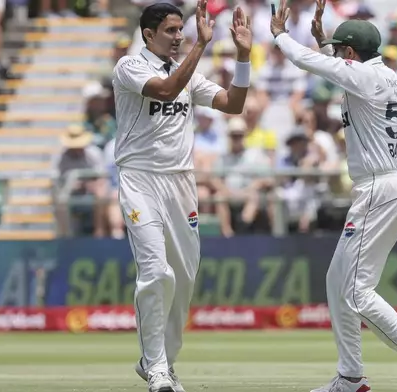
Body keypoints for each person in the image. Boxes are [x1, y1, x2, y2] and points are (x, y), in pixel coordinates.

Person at [270, 1, 397, 392]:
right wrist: (324, 38)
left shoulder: (366, 78)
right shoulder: (379, 75)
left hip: (379, 190)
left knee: (354, 289)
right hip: (388, 184)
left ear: (351, 54)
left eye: (340, 49)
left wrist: (280, 35)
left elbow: (311, 63)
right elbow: (339, 67)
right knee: (339, 283)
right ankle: (351, 376)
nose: (336, 53)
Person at [111, 1, 253, 391]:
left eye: (180, 30)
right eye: (171, 31)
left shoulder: (185, 71)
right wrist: (202, 46)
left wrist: (243, 56)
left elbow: (234, 104)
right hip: (140, 180)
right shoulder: (129, 66)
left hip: (182, 183)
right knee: (156, 273)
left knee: (184, 280)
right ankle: (155, 366)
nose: (178, 37)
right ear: (148, 34)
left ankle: (162, 362)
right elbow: (166, 90)